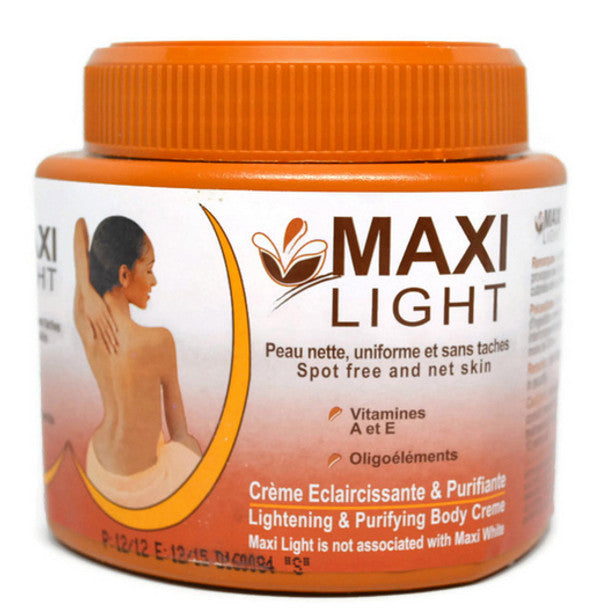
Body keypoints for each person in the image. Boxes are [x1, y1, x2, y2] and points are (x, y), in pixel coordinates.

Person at [74, 216, 201, 507]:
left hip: (98, 468)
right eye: (149, 269)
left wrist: (85, 288)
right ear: (124, 275)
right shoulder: (158, 341)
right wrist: (191, 452)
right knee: (191, 449)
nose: (154, 281)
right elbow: (179, 432)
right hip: (145, 484)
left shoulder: (84, 321)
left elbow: (79, 227)